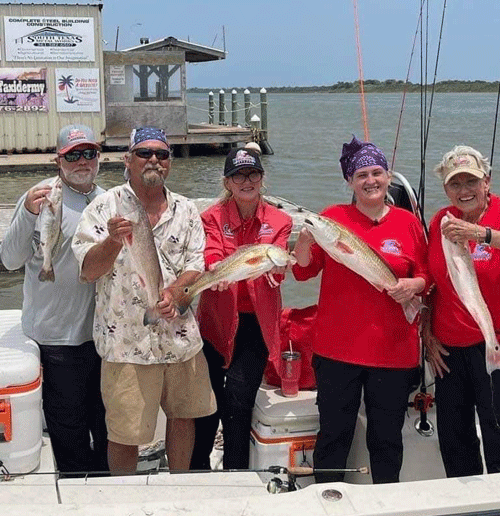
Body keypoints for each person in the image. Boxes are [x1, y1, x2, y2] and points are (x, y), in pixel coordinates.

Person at [72, 126, 216, 475]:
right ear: (127, 160)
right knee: (124, 434)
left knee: (184, 418)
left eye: (162, 154)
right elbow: (88, 270)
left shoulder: (186, 209)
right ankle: (126, 502)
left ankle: (179, 485)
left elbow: (197, 264)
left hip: (180, 340)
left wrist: (173, 294)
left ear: (169, 162)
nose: (154, 160)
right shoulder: (103, 207)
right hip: (126, 344)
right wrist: (111, 241)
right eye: (144, 153)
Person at [292, 136, 428, 484]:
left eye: (377, 172)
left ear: (388, 177)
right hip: (337, 351)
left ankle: (386, 503)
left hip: (393, 353)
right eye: (362, 174)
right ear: (350, 182)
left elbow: (428, 276)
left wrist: (413, 286)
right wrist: (305, 242)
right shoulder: (332, 218)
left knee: (386, 439)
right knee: (334, 435)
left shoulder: (408, 222)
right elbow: (303, 271)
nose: (371, 180)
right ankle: (330, 502)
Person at [0, 124, 108, 475]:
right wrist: (29, 214)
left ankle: (107, 481)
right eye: (72, 155)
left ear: (99, 157)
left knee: (106, 419)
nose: (82, 161)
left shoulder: (109, 199)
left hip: (103, 336)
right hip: (56, 337)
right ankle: (77, 483)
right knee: (68, 424)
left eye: (88, 153)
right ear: (58, 160)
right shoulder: (39, 196)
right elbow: (11, 259)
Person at [189, 148, 293, 470]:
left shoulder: (281, 220)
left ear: (262, 179)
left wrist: (276, 271)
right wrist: (216, 268)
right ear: (228, 182)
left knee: (238, 399)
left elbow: (278, 263)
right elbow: (212, 252)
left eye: (253, 174)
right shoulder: (211, 217)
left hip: (255, 324)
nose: (246, 181)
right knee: (207, 404)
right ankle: (197, 470)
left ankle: (235, 472)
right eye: (238, 175)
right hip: (216, 320)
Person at [422, 145, 500, 478]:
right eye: (456, 184)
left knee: (496, 431)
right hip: (448, 351)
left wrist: (482, 235)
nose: (464, 190)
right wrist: (426, 332)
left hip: (493, 347)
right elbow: (432, 283)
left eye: (471, 181)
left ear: (487, 181)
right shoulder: (441, 220)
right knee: (455, 437)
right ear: (446, 189)